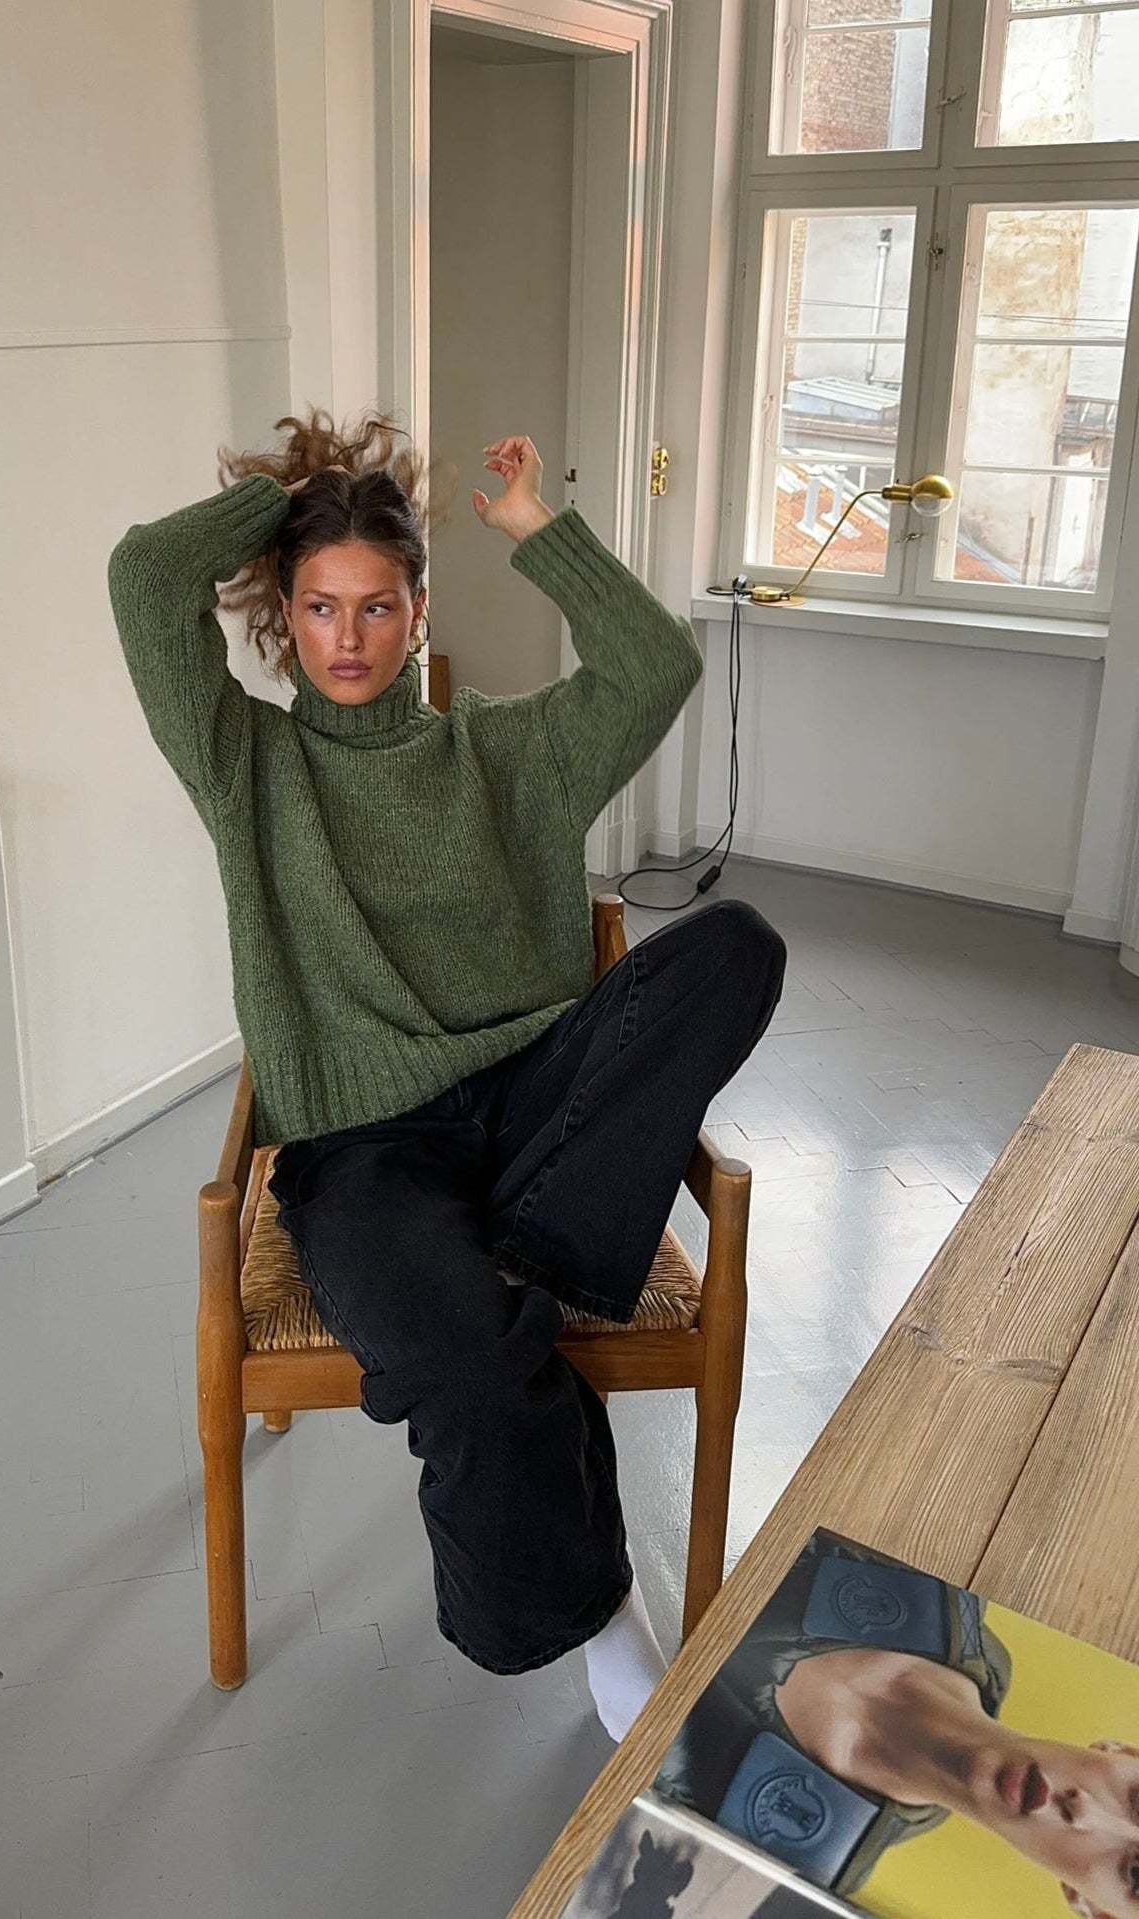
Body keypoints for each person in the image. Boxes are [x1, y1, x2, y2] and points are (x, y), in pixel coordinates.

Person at [106, 404, 787, 1737]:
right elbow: (143, 577)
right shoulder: (247, 764)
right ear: (281, 618)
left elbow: (654, 662)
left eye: (377, 604)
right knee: (468, 1362)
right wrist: (296, 494)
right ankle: (597, 1611)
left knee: (733, 947)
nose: (348, 636)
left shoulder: (507, 751)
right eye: (318, 606)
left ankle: (524, 1252)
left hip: (537, 1105)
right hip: (368, 1152)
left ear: (419, 611)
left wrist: (537, 527)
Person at [655, 1530, 1139, 1916]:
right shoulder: (931, 1561)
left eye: (1136, 1875)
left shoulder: (774, 1869)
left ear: (1093, 1908)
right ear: (1122, 1753)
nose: (1084, 1811)